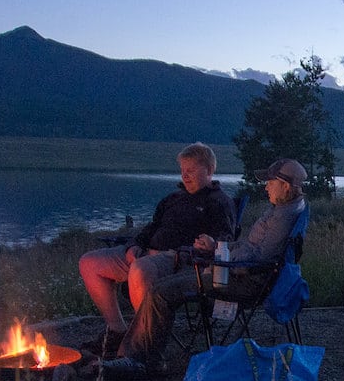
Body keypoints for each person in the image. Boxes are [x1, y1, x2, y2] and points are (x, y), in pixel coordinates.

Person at [100, 157, 308, 379]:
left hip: (240, 281)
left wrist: (218, 258)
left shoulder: (283, 217)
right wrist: (218, 247)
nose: (266, 186)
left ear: (285, 186)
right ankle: (137, 354)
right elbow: (250, 247)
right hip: (239, 273)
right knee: (162, 288)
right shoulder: (286, 208)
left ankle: (140, 360)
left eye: (270, 182)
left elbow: (258, 257)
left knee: (160, 292)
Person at [79, 142, 237, 369]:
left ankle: (142, 350)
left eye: (191, 170)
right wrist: (135, 245)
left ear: (209, 170)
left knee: (140, 270)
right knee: (90, 263)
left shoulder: (219, 201)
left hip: (178, 261)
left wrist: (212, 244)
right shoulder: (172, 199)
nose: (185, 175)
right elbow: (152, 227)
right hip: (144, 254)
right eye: (183, 169)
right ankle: (117, 330)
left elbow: (227, 239)